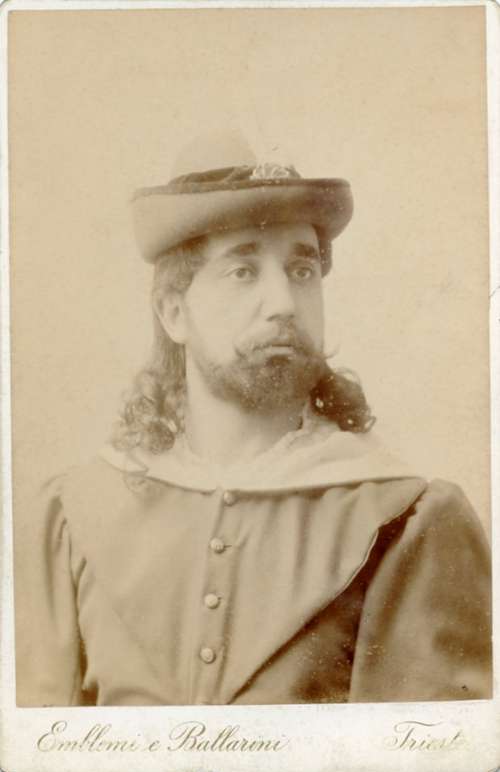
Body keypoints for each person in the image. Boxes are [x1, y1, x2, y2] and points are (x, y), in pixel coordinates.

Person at [16, 133, 492, 706]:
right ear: (173, 312)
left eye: (301, 271)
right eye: (243, 272)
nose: (284, 304)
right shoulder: (72, 519)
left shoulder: (406, 522)